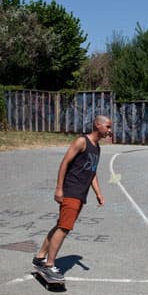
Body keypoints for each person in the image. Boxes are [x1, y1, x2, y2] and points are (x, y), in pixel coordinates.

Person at [33, 115, 113, 282]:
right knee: (64, 228)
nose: (109, 130)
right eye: (107, 126)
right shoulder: (81, 142)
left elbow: (92, 171)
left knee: (61, 225)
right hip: (71, 191)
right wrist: (59, 188)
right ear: (97, 125)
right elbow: (64, 163)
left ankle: (40, 257)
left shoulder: (97, 148)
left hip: (81, 193)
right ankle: (49, 265)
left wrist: (98, 193)